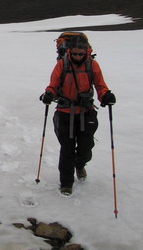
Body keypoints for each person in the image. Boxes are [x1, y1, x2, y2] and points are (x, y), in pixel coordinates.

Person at [40, 35, 116, 195]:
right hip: (64, 113)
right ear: (69, 51)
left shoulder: (92, 65)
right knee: (66, 149)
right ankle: (66, 183)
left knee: (86, 148)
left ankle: (80, 164)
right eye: (74, 54)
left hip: (86, 112)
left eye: (80, 54)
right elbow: (53, 84)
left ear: (86, 51)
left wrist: (106, 95)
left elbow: (100, 85)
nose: (77, 57)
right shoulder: (62, 64)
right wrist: (48, 94)